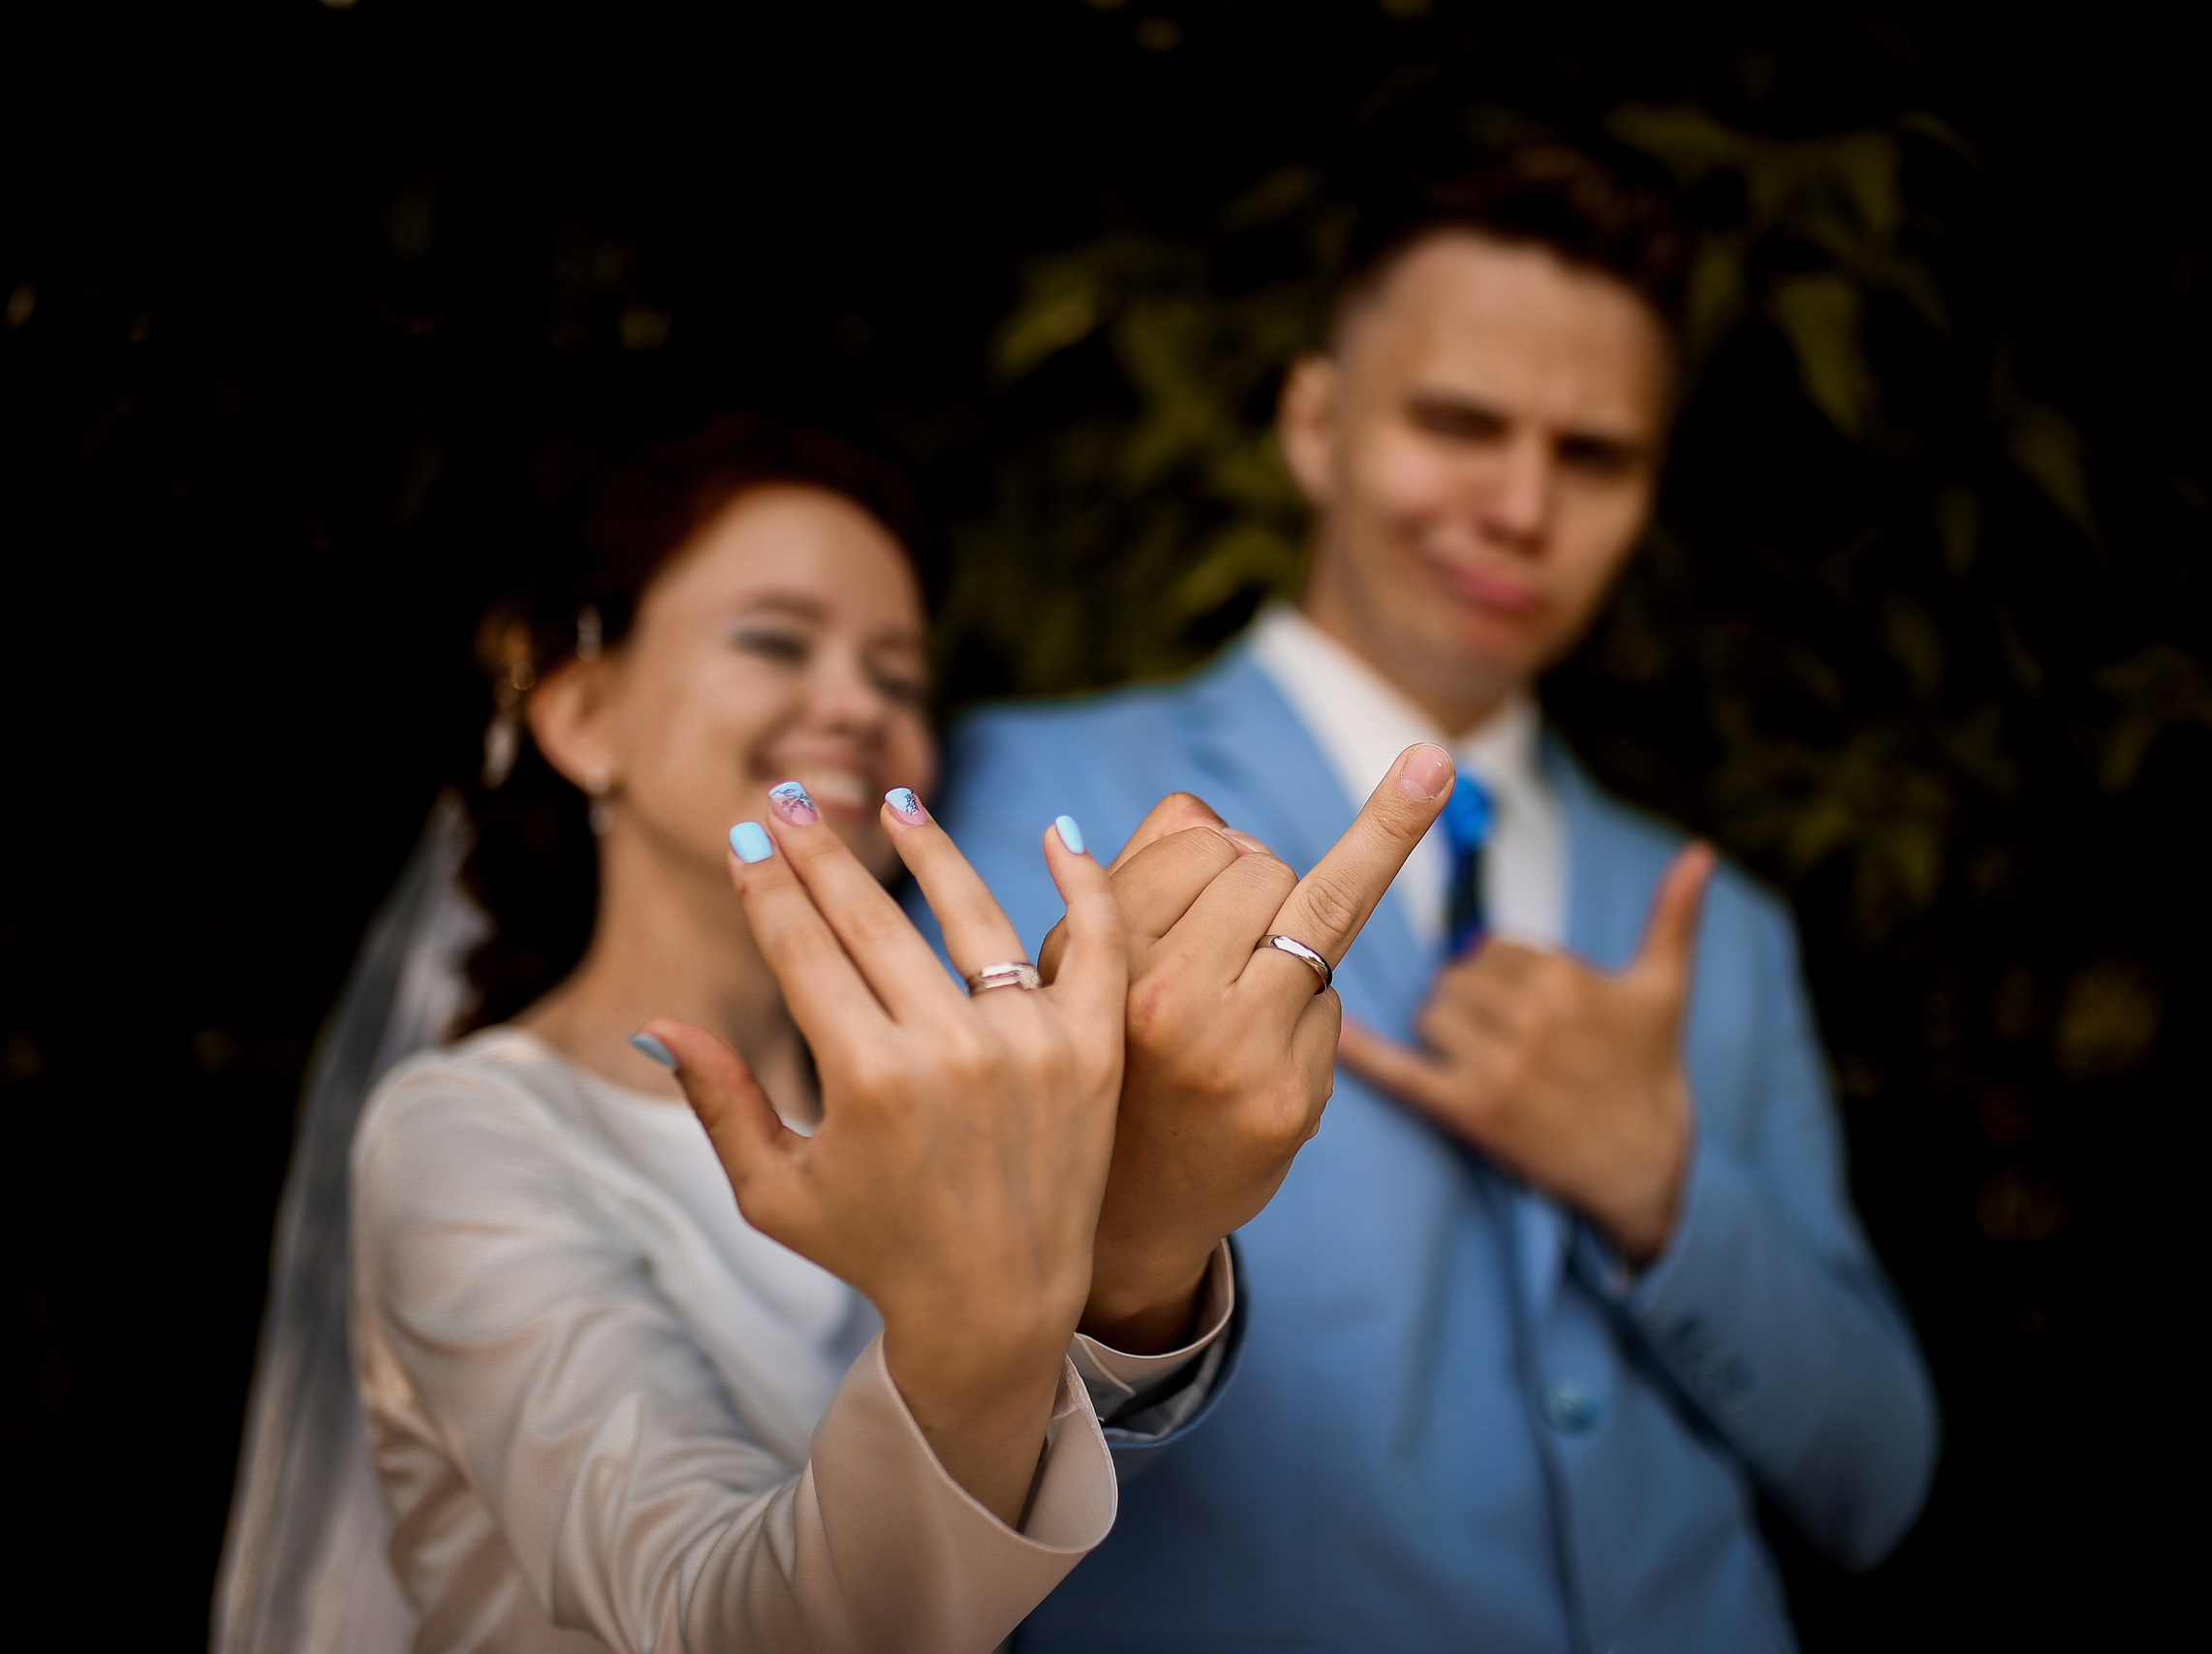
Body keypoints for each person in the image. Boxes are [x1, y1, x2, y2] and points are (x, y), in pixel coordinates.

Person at [222, 417, 1453, 1653]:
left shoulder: (958, 1093)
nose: (859, 704)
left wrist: (1132, 1246)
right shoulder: (458, 1136)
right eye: (774, 640)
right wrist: (983, 1321)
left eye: (900, 677)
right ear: (587, 715)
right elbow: (710, 1617)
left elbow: (1052, 1519)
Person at [931, 146, 1941, 1650]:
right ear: (1316, 422)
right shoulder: (1025, 798)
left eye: (1594, 455)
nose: (1522, 504)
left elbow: (1876, 1483)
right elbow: (899, 1415)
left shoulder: (1725, 927)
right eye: (1459, 422)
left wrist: (1662, 1186)